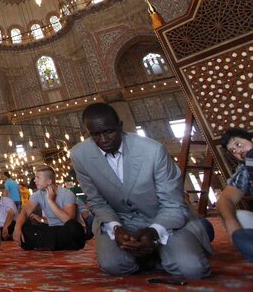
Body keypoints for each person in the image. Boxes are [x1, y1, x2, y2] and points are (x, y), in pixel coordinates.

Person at [71, 103, 211, 279]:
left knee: (192, 270)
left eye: (109, 131)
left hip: (161, 218)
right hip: (121, 220)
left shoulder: (152, 151)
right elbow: (97, 202)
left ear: (120, 126)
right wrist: (116, 229)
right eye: (95, 135)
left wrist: (153, 232)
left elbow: (172, 203)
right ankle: (153, 256)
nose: (103, 140)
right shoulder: (80, 155)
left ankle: (161, 251)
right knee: (113, 265)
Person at [13, 166, 85, 251]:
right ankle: (53, 244)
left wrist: (50, 201)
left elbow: (68, 220)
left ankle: (46, 243)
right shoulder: (37, 194)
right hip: (51, 230)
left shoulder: (67, 194)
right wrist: (17, 228)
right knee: (24, 228)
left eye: (38, 178)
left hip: (65, 229)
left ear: (49, 181)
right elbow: (25, 212)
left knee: (73, 228)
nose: (35, 180)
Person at [216, 128, 253, 261]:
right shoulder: (245, 169)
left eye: (238, 144)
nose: (237, 151)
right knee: (239, 217)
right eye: (233, 151)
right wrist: (232, 224)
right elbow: (225, 200)